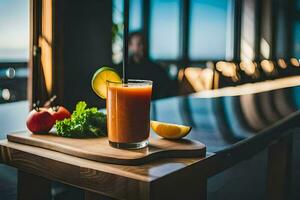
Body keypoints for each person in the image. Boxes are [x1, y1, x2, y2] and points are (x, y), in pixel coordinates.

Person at [116, 31, 177, 99]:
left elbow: (167, 88)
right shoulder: (122, 69)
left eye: (143, 43)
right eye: (139, 44)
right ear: (130, 46)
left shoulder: (156, 68)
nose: (142, 47)